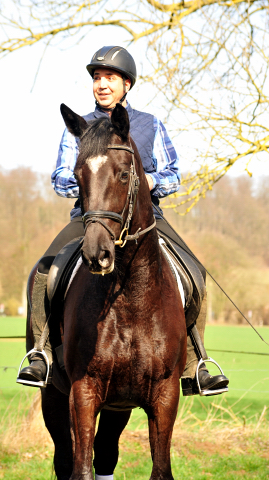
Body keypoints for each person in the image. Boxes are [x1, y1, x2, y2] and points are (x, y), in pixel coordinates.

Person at [17, 45, 229, 397]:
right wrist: (89, 181)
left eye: (110, 78)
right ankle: (41, 354)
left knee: (195, 272)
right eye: (97, 78)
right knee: (44, 272)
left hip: (146, 219)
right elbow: (59, 178)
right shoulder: (81, 127)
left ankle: (195, 364)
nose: (102, 84)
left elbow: (173, 174)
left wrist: (150, 181)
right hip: (90, 216)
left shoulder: (150, 125)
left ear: (126, 84)